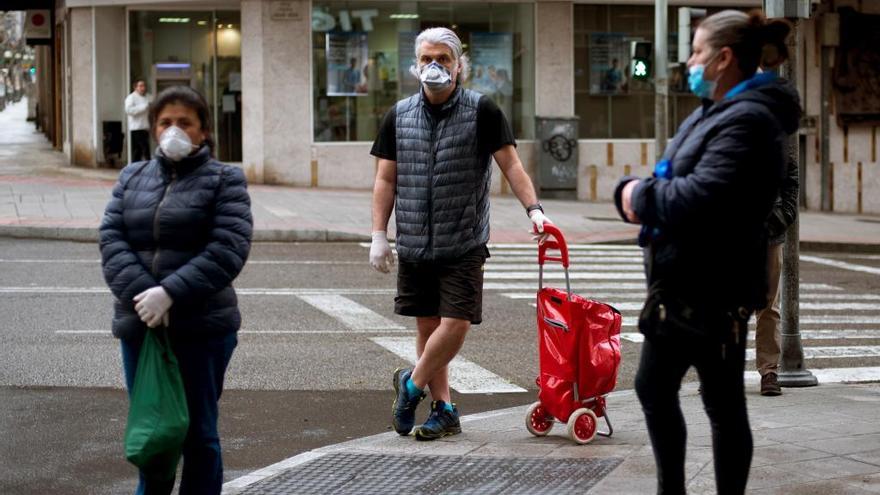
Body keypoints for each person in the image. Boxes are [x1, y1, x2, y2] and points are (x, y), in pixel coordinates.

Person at [613, 10, 799, 494]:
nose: (690, 61)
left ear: (723, 58)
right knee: (699, 398)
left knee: (697, 399)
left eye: (697, 52)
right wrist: (652, 188)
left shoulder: (750, 119)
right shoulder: (713, 110)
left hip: (710, 286)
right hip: (685, 280)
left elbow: (701, 195)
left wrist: (637, 196)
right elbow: (674, 171)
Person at [369, 27, 550, 441]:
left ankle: (410, 386)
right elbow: (385, 180)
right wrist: (379, 233)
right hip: (414, 239)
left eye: (444, 60)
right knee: (427, 327)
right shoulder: (398, 115)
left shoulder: (482, 110)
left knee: (457, 322)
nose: (435, 67)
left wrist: (535, 210)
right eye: (427, 59)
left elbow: (512, 166)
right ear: (415, 65)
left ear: (459, 66)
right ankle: (444, 409)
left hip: (463, 238)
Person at [100, 85, 253, 495]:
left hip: (202, 328)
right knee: (155, 431)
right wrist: (144, 295)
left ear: (203, 130)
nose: (174, 130)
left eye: (185, 122)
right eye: (165, 122)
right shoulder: (132, 177)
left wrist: (170, 293)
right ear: (152, 128)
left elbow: (228, 248)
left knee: (199, 435)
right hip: (142, 325)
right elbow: (112, 241)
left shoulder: (225, 180)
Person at [755, 140, 799, 396]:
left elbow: (791, 185)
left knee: (769, 307)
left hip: (770, 236)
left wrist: (780, 219)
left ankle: (769, 371)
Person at [124, 79, 152, 162]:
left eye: (144, 86)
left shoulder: (148, 97)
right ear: (135, 87)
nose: (143, 88)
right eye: (140, 86)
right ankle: (147, 166)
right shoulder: (131, 97)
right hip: (136, 128)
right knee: (144, 150)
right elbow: (129, 111)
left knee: (139, 151)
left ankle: (138, 168)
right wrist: (144, 107)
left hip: (145, 127)